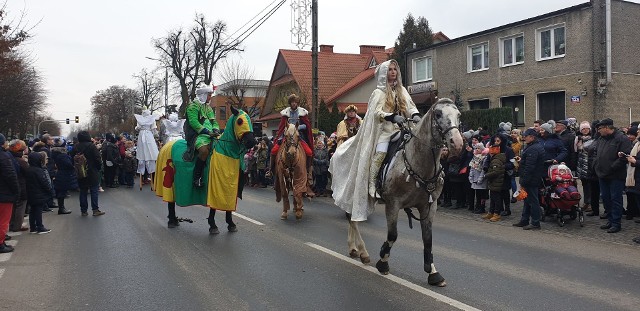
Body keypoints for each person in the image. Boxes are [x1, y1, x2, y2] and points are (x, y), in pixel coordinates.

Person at [329, 59, 419, 220]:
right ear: (385, 73)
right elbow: (376, 113)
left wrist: (415, 115)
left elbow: (410, 106)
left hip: (402, 128)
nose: (393, 72)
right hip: (385, 130)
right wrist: (391, 117)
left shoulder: (402, 90)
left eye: (395, 69)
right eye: (390, 69)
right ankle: (372, 183)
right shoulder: (378, 93)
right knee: (381, 152)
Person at [269, 94, 315, 196]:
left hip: (298, 136)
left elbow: (306, 125)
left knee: (309, 152)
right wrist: (286, 130)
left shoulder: (302, 113)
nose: (294, 103)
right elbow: (281, 126)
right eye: (292, 102)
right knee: (273, 151)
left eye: (295, 102)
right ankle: (271, 171)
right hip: (286, 135)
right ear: (290, 103)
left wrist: (297, 127)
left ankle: (308, 172)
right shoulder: (286, 114)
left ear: (297, 103)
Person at [593, 118, 632, 233]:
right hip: (602, 174)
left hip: (615, 176)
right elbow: (596, 153)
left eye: (600, 129)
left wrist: (611, 168)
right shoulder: (601, 139)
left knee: (615, 199)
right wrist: (596, 165)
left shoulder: (621, 139)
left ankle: (616, 223)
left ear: (607, 127)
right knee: (606, 198)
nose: (598, 131)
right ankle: (610, 220)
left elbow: (624, 157)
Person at [186, 84, 219, 187]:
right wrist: (207, 132)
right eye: (209, 95)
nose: (210, 97)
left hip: (211, 134)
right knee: (204, 151)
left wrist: (215, 129)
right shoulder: (193, 106)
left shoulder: (208, 108)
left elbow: (214, 121)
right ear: (204, 95)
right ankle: (197, 178)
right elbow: (194, 123)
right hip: (198, 135)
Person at [513, 128, 546, 230]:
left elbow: (530, 167)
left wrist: (524, 181)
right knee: (527, 200)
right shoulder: (533, 147)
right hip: (531, 178)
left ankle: (535, 222)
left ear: (532, 137)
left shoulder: (533, 148)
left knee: (533, 201)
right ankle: (524, 220)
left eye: (526, 136)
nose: (524, 138)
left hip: (531, 179)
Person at [71, 131, 105, 216]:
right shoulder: (91, 146)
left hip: (81, 172)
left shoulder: (76, 147)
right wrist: (98, 168)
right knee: (94, 191)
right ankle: (95, 210)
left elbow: (72, 158)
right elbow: (97, 159)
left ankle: (84, 211)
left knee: (83, 191)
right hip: (92, 171)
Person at [0, 134, 20, 252]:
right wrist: (16, 191)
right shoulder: (4, 156)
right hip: (4, 193)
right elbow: (11, 176)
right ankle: (0, 244)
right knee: (3, 220)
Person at [25, 151, 53, 234]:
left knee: (32, 210)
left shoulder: (28, 169)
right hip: (39, 193)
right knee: (38, 210)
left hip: (30, 193)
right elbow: (44, 182)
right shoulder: (38, 170)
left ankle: (33, 227)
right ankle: (40, 227)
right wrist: (49, 190)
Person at [483, 136, 507, 222]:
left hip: (496, 182)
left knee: (496, 199)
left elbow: (496, 172)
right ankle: (491, 212)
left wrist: (487, 175)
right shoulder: (494, 158)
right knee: (492, 198)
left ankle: (497, 213)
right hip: (494, 182)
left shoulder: (496, 160)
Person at [51, 138, 77, 214]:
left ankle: (61, 207)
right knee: (62, 191)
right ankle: (61, 208)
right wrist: (72, 167)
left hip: (59, 173)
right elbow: (68, 164)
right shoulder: (62, 155)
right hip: (64, 174)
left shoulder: (54, 153)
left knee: (60, 191)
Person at [8, 140, 29, 232]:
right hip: (20, 185)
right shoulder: (21, 161)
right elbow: (27, 173)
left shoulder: (9, 157)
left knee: (14, 206)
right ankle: (17, 226)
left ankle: (12, 224)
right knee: (20, 206)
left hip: (11, 186)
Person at [134, 110, 159, 184]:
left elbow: (137, 128)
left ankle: (143, 177)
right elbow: (154, 129)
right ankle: (152, 177)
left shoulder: (140, 119)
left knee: (142, 154)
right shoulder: (152, 119)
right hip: (149, 135)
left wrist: (140, 129)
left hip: (142, 136)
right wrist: (156, 135)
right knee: (151, 153)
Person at [468, 143, 488, 214]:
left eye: (478, 148)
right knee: (477, 194)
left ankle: (482, 207)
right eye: (476, 148)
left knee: (482, 194)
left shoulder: (484, 158)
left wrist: (480, 179)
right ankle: (477, 206)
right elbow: (472, 167)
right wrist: (471, 177)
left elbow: (483, 170)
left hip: (482, 179)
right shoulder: (475, 157)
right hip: (475, 178)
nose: (477, 149)